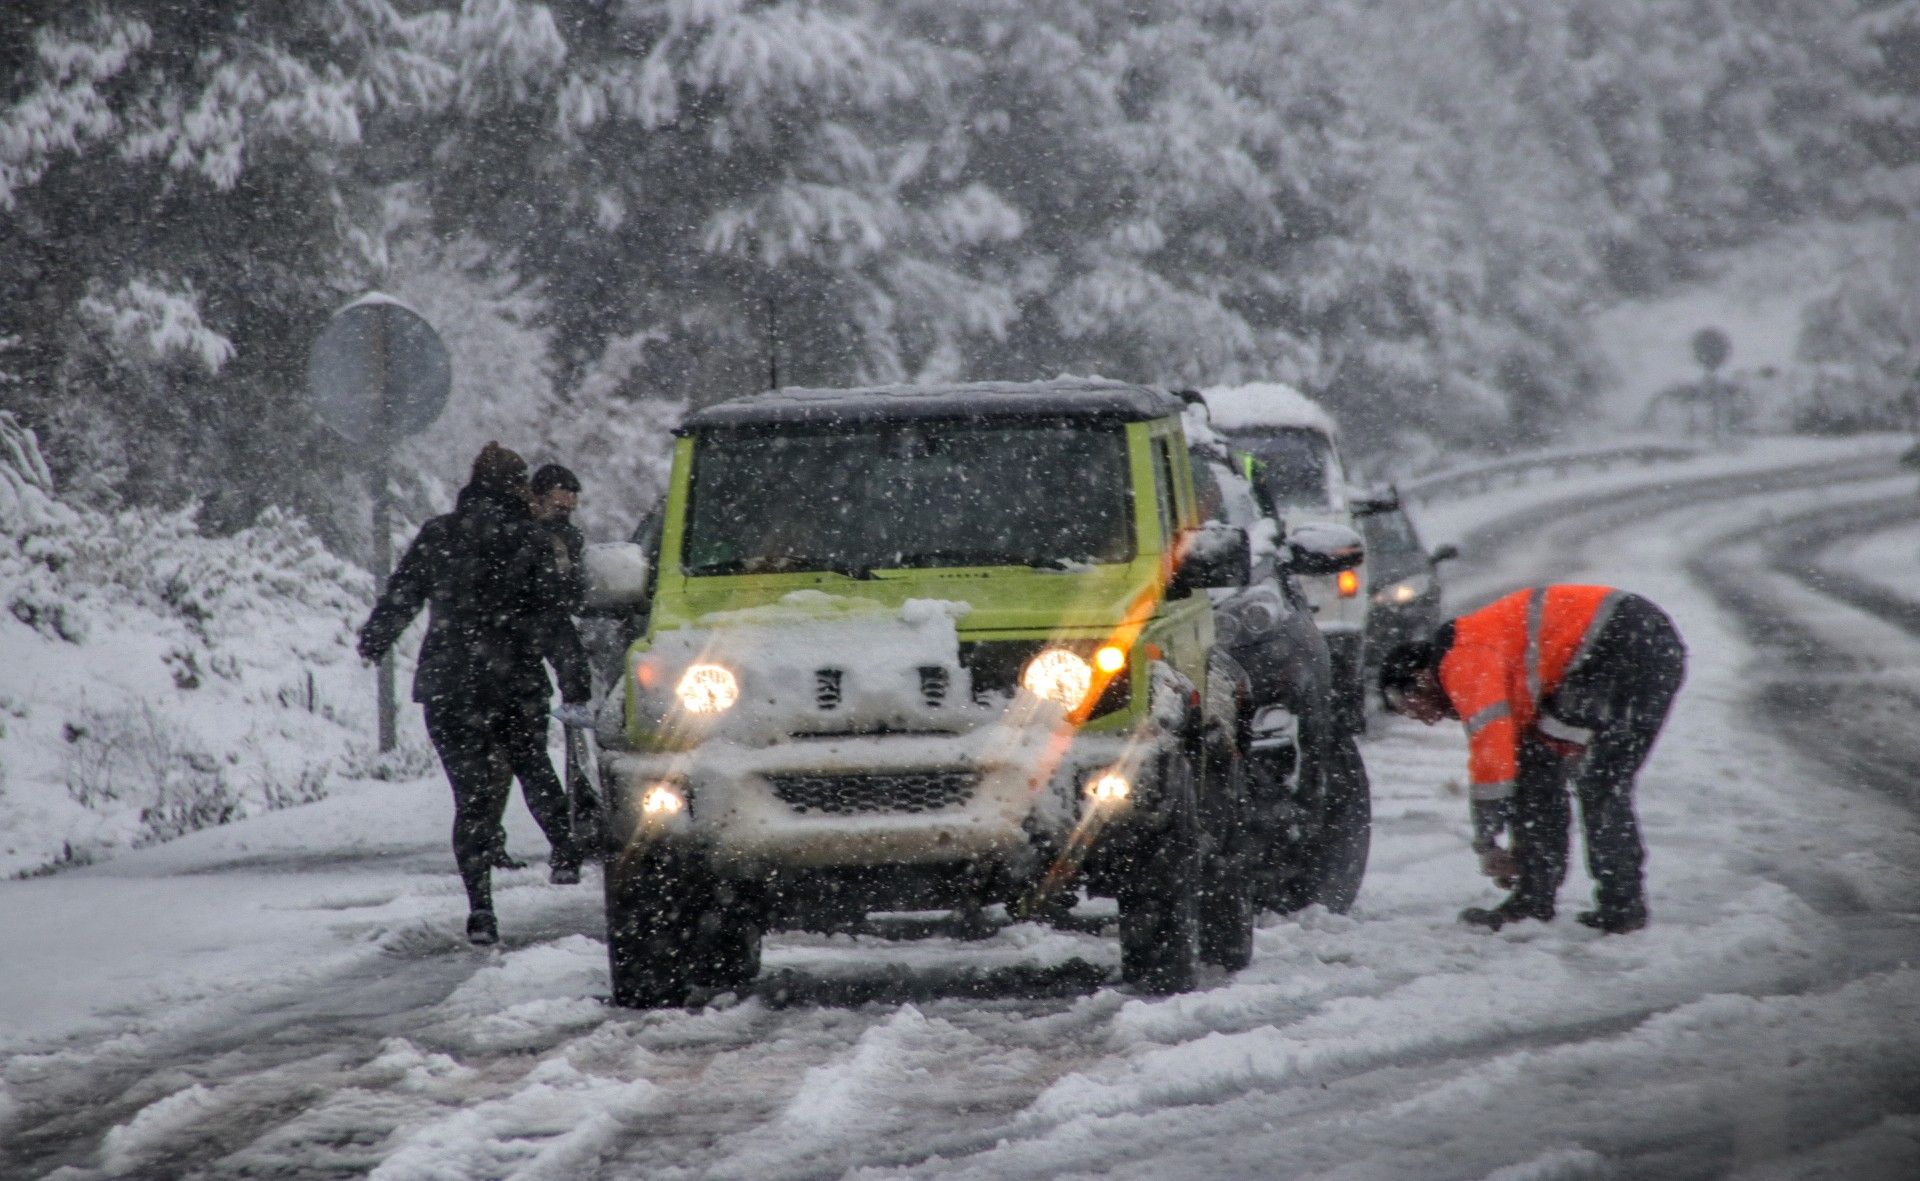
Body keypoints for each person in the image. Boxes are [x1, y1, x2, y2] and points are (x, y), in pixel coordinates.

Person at [357, 442, 581, 946]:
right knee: (532, 764)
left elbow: (404, 593)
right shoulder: (531, 540)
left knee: (472, 798)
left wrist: (375, 637)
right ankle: (565, 853)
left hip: (450, 684)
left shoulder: (440, 534)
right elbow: (552, 618)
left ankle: (481, 908)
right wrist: (573, 676)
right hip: (514, 682)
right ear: (519, 487)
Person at [1378, 585, 1686, 933]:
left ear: (1420, 677)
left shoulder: (1460, 660)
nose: (1425, 719)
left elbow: (1493, 755)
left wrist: (1489, 842)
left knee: (1551, 771)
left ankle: (1541, 898)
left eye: (1409, 706)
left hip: (1618, 645)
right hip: (1647, 644)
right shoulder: (1475, 648)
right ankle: (1615, 901)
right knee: (1597, 779)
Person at [487, 463, 600, 868]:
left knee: (524, 758)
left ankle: (566, 835)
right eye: (556, 506)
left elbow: (562, 606)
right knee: (508, 761)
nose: (563, 515)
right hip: (506, 658)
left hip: (527, 658)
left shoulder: (564, 539)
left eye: (569, 509)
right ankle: (499, 840)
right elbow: (539, 608)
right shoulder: (513, 538)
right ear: (534, 498)